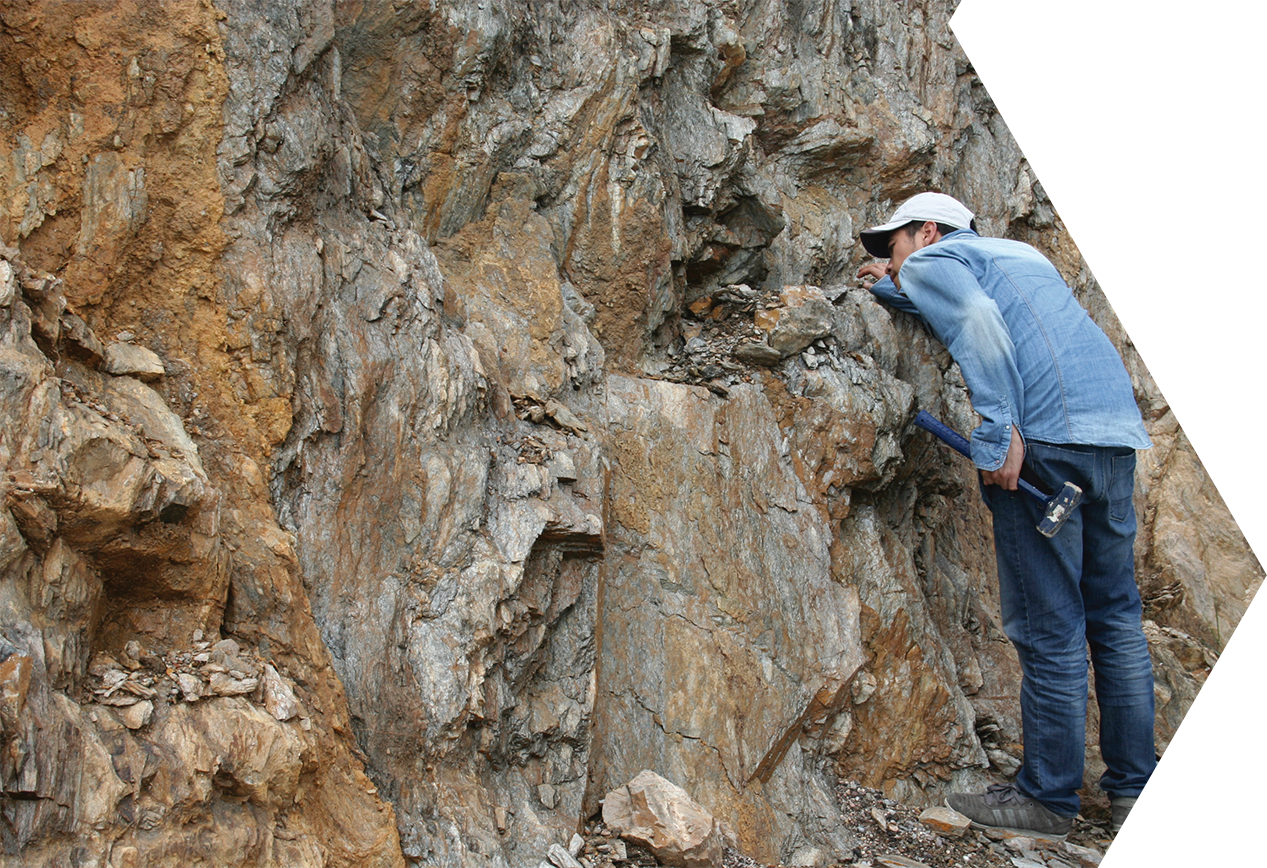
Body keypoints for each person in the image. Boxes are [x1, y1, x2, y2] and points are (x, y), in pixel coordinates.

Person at [855, 192, 1156, 838]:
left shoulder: (936, 260)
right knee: (1116, 617)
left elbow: (975, 318)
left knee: (1048, 624)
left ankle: (1046, 798)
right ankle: (1137, 792)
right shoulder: (1020, 255)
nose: (893, 259)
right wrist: (896, 287)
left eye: (894, 246)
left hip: (1045, 446)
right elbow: (991, 307)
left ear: (928, 232)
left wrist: (999, 429)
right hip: (1111, 437)